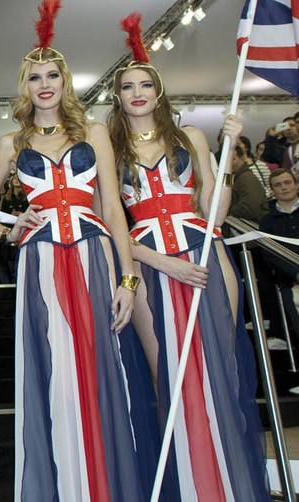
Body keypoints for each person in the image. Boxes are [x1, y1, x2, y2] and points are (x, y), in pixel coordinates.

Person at [0, 2, 146, 499]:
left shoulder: (95, 134)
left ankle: (102, 484)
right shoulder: (10, 142)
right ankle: (65, 483)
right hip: (41, 262)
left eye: (52, 75)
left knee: (99, 366)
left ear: (65, 82)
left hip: (94, 257)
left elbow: (114, 211)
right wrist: (11, 231)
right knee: (55, 370)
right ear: (24, 86)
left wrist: (128, 280)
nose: (44, 84)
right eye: (34, 77)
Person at [108, 13, 270, 500]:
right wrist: (162, 262)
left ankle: (227, 487)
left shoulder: (190, 139)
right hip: (149, 266)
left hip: (205, 256)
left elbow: (213, 214)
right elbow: (112, 232)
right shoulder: (108, 150)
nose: (137, 93)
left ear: (158, 92)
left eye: (145, 84)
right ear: (117, 96)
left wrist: (225, 149)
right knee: (170, 385)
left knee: (221, 372)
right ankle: (186, 487)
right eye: (127, 86)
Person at [261, 168, 299, 394]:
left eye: (287, 182)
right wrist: (295, 274)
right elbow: (270, 256)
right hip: (289, 284)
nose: (284, 187)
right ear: (272, 190)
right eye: (278, 184)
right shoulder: (268, 222)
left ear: (296, 184)